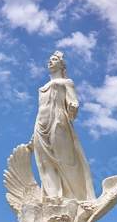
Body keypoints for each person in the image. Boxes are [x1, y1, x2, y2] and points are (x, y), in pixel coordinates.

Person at [29, 50, 96, 202]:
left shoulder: (67, 82)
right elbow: (41, 108)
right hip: (40, 124)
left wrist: (73, 109)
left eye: (54, 59)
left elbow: (73, 103)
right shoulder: (43, 87)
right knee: (44, 163)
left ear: (62, 65)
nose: (50, 61)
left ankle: (75, 197)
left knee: (64, 160)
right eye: (49, 60)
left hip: (58, 121)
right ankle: (53, 198)